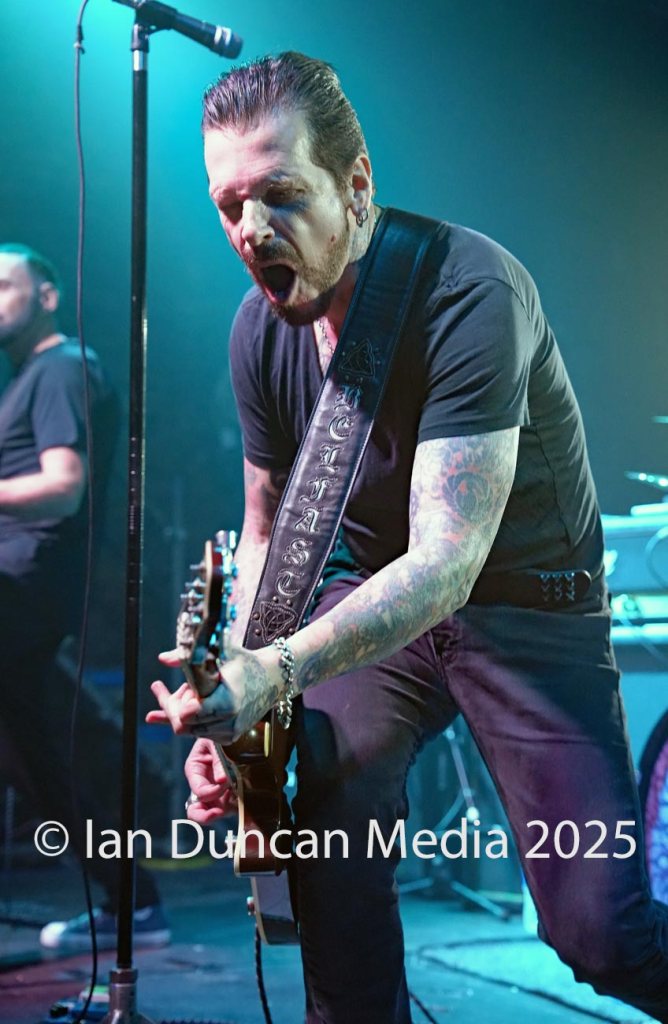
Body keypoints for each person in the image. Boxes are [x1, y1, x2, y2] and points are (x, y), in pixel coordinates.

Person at [147, 53, 668, 1023]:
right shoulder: (257, 335)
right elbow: (266, 533)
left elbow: (446, 561)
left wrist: (282, 666)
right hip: (365, 598)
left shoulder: (468, 290)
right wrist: (237, 699)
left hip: (519, 613)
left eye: (279, 195)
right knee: (325, 852)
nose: (252, 230)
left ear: (356, 184)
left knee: (597, 930)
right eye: (227, 207)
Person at [0, 244, 170, 951]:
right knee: (38, 756)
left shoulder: (63, 367)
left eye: (3, 285)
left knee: (40, 750)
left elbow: (63, 486)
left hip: (26, 584)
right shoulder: (30, 378)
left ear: (47, 295)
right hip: (23, 589)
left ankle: (132, 900)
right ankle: (130, 901)